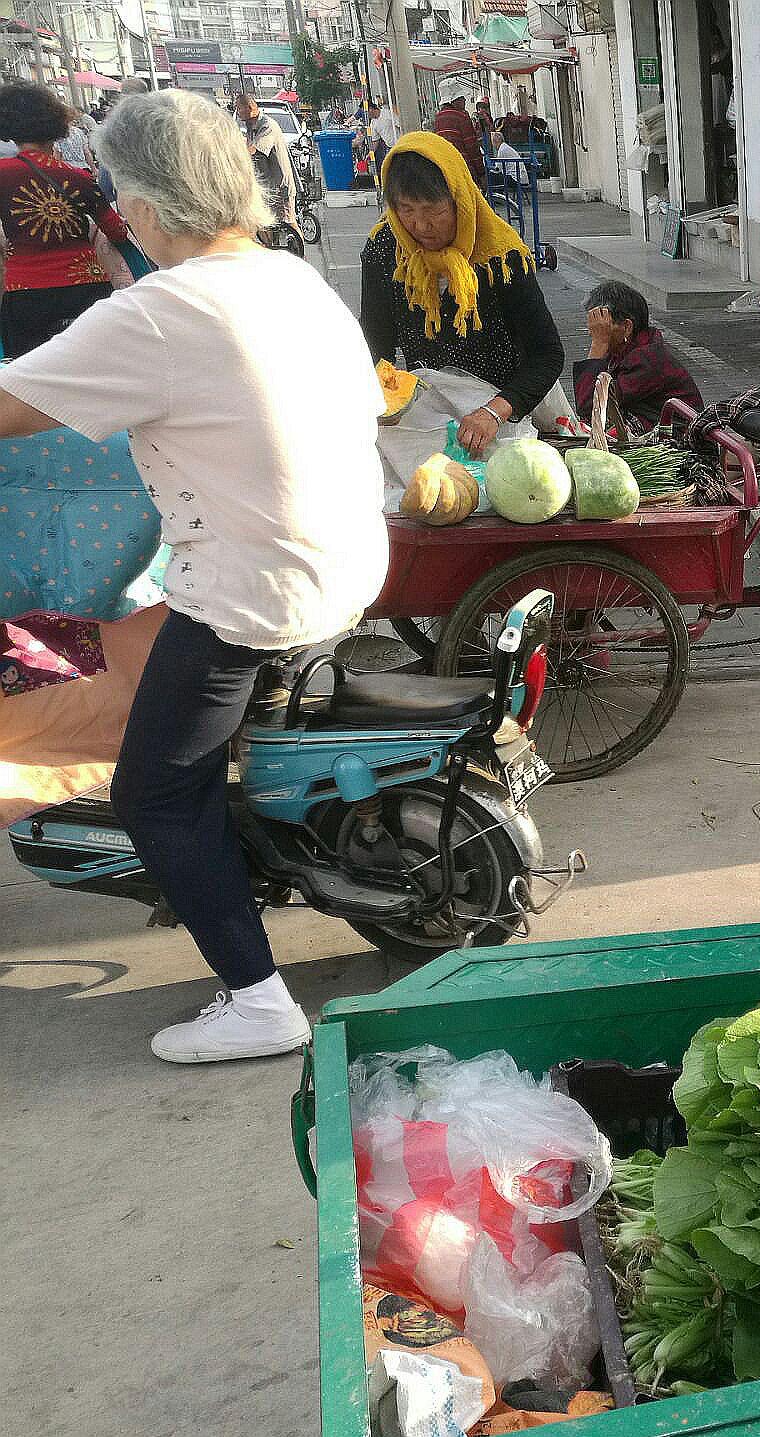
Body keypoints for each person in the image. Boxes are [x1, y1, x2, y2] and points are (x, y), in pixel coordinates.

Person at [0, 90, 386, 1062]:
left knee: (157, 793)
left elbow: (12, 406)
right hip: (343, 561)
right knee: (133, 662)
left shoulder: (162, 314)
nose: (117, 212)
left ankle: (258, 1000)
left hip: (253, 594)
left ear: (150, 202)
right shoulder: (285, 277)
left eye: (122, 194)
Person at [360, 132, 564, 455]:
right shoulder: (385, 250)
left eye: (433, 210)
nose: (420, 225)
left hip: (502, 409)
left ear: (459, 199)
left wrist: (494, 412)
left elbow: (548, 355)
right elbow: (375, 347)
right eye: (406, 209)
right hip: (426, 409)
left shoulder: (501, 256)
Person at [0, 83, 138, 356]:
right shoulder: (78, 177)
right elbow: (116, 231)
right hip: (87, 288)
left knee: (28, 373)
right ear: (56, 126)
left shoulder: (3, 173)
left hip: (26, 289)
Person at [574, 281, 702, 437]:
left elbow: (590, 406)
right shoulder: (623, 350)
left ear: (627, 327)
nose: (592, 334)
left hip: (678, 438)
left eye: (601, 327)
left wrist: (599, 343)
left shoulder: (646, 359)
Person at [233, 91, 294, 226]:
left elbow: (254, 150)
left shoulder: (267, 125)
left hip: (280, 185)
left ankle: (299, 245)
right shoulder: (249, 126)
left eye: (238, 108)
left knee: (289, 222)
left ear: (249, 108)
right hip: (266, 186)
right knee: (265, 224)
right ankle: (270, 246)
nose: (237, 112)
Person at [430, 93, 485, 186]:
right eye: (462, 98)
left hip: (445, 170)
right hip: (463, 168)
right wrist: (481, 173)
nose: (465, 100)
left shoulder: (438, 118)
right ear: (454, 101)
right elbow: (472, 147)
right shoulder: (462, 117)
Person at [368, 100, 398, 180]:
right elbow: (375, 141)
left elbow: (400, 124)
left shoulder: (387, 114)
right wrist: (370, 153)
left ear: (370, 109)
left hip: (400, 144)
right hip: (390, 147)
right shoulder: (373, 124)